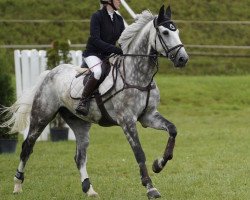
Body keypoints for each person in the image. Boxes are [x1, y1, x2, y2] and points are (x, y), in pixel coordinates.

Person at [76, 0, 125, 116]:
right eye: (118, 0)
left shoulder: (119, 20)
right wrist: (115, 49)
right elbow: (95, 40)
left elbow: (123, 39)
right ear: (109, 1)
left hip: (108, 55)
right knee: (98, 72)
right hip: (93, 53)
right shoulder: (97, 16)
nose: (120, 2)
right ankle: (83, 101)